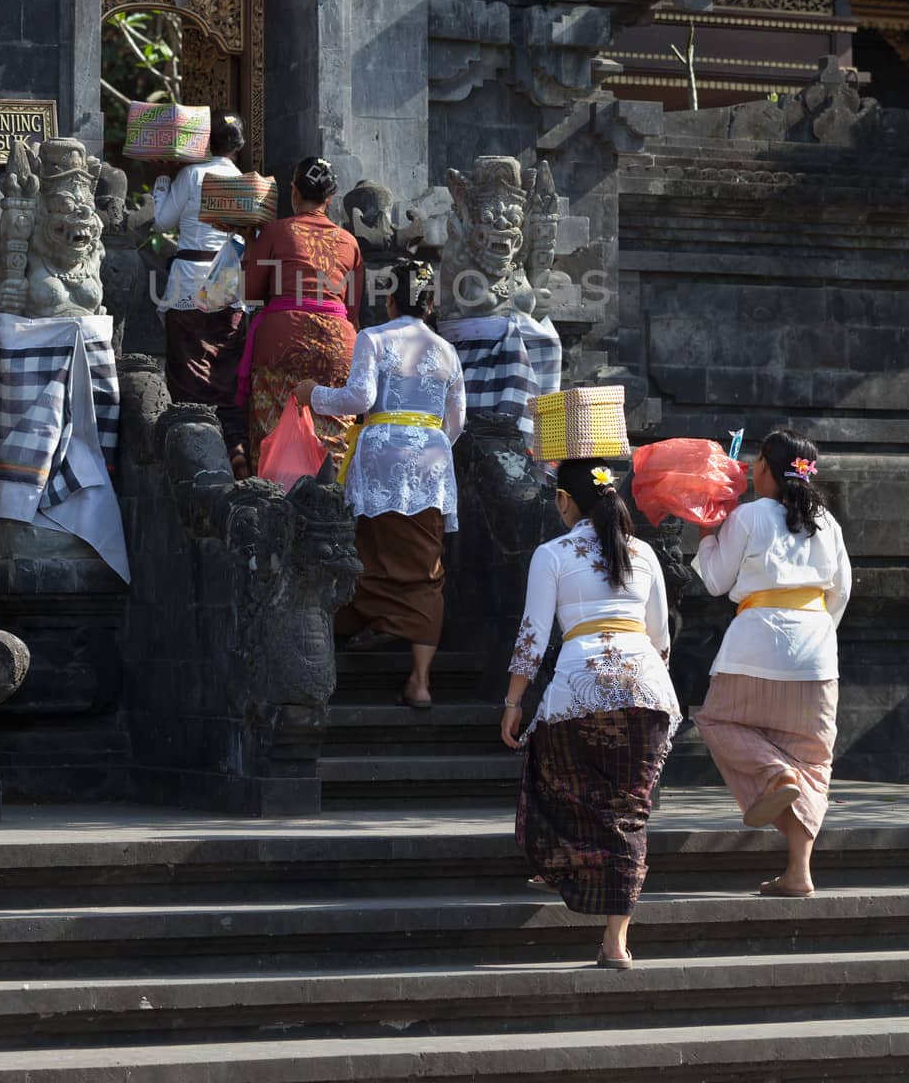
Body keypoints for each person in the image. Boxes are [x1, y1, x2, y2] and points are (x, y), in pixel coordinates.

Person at [503, 460, 680, 969]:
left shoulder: (553, 553)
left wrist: (514, 702)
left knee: (548, 772)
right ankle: (616, 942)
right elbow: (661, 637)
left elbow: (533, 637)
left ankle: (562, 862)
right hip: (646, 689)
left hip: (579, 686)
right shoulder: (643, 551)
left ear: (564, 501)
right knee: (629, 813)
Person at [295, 259, 465, 708]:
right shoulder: (447, 351)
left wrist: (313, 395)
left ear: (389, 301)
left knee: (365, 549)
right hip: (431, 459)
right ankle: (421, 682)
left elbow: (360, 399)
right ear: (430, 305)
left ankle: (356, 633)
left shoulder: (373, 337)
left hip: (380, 454)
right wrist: (428, 447)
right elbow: (457, 422)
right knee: (426, 565)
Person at [693, 428, 851, 898]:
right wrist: (819, 635)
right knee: (813, 761)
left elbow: (716, 582)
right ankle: (799, 871)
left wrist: (707, 535)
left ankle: (771, 772)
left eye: (758, 462)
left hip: (755, 643)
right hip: (817, 650)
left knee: (719, 722)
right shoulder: (828, 521)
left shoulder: (748, 516)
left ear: (765, 468)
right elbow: (841, 592)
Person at [239, 156, 363, 469]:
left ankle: (274, 504)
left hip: (282, 343)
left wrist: (249, 244)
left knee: (274, 438)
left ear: (294, 191)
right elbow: (352, 310)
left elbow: (250, 293)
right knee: (332, 442)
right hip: (337, 346)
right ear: (330, 199)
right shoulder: (350, 242)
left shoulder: (276, 232)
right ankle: (332, 502)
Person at [151, 111, 248, 476]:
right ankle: (234, 447)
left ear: (206, 143)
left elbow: (162, 222)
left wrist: (161, 181)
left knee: (188, 371)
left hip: (190, 278)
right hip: (228, 278)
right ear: (238, 147)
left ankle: (195, 455)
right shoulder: (245, 183)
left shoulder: (191, 175)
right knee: (224, 369)